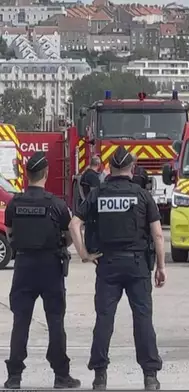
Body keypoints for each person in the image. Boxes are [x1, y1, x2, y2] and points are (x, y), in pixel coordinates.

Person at [68, 145, 166, 391]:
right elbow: (157, 235)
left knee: (104, 320)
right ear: (132, 169)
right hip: (137, 265)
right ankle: (150, 376)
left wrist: (84, 254)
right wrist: (161, 267)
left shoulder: (98, 194)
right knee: (143, 319)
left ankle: (100, 376)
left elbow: (74, 224)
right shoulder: (143, 196)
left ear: (109, 168)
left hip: (107, 264)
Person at [4, 151, 81, 389]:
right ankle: (61, 375)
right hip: (50, 267)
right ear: (46, 173)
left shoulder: (14, 203)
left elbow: (10, 234)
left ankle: (14, 376)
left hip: (24, 267)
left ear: (26, 175)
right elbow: (69, 237)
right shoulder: (56, 205)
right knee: (56, 321)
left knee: (21, 322)